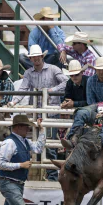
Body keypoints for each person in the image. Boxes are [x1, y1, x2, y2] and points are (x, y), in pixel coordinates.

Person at [9, 44, 68, 181]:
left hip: (51, 112)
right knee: (38, 144)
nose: (35, 59)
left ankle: (51, 176)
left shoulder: (53, 69)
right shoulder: (29, 73)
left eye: (37, 57)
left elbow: (66, 82)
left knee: (49, 145)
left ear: (42, 57)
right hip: (38, 113)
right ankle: (44, 174)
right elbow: (23, 89)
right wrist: (14, 102)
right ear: (31, 59)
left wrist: (52, 90)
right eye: (33, 58)